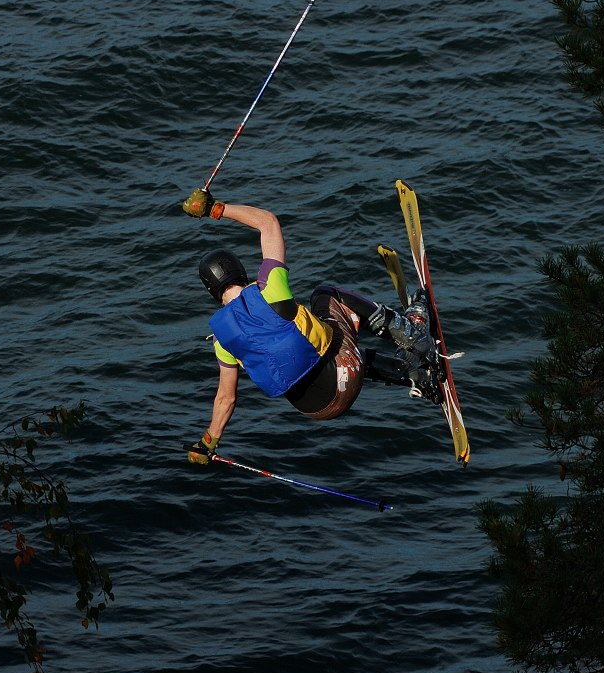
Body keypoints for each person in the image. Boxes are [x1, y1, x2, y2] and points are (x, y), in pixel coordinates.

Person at [183, 186, 438, 464]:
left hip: (318, 410)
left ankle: (416, 378)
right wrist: (215, 209)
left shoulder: (221, 341)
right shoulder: (269, 289)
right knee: (325, 295)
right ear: (239, 270)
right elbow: (267, 222)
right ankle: (413, 332)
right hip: (344, 373)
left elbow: (226, 399)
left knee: (327, 350)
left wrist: (208, 442)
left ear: (212, 291)